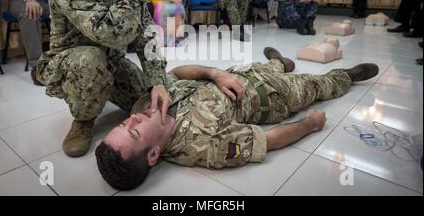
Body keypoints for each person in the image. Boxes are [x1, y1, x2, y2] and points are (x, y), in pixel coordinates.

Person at [95, 46, 380, 190]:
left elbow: (178, 74)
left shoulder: (144, 105)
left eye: (124, 123)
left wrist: (214, 73)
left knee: (266, 64)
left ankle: (280, 62)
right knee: (317, 85)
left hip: (235, 74)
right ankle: (347, 76)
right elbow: (267, 141)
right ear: (154, 155)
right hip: (275, 95)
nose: (133, 120)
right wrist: (311, 124)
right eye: (133, 132)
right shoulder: (204, 146)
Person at [36, 0, 171, 158]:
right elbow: (112, 33)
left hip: (113, 61)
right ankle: (83, 119)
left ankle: (104, 90)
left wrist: (157, 81)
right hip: (73, 62)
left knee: (151, 100)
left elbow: (145, 34)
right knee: (91, 60)